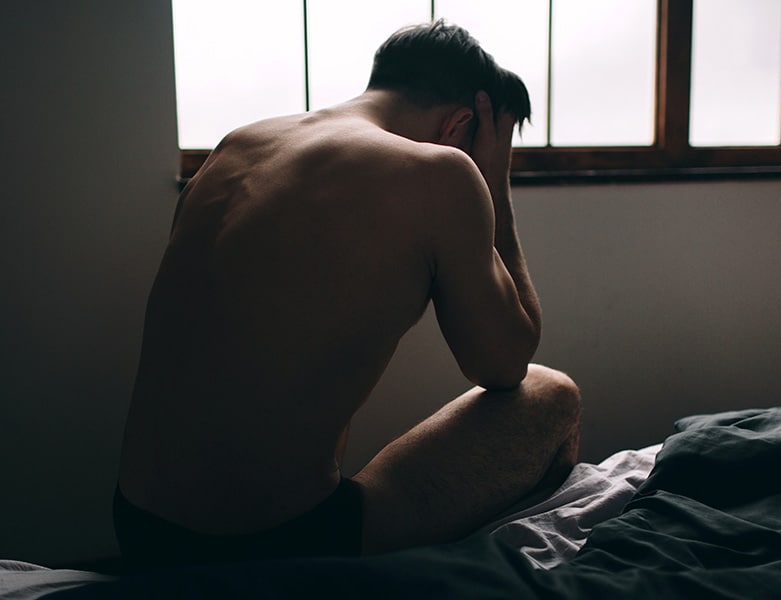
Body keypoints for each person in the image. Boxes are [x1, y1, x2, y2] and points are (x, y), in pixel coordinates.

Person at [114, 20, 581, 568]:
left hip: (138, 528)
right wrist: (492, 176)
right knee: (554, 394)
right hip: (270, 544)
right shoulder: (443, 173)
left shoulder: (237, 146)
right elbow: (506, 363)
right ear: (461, 122)